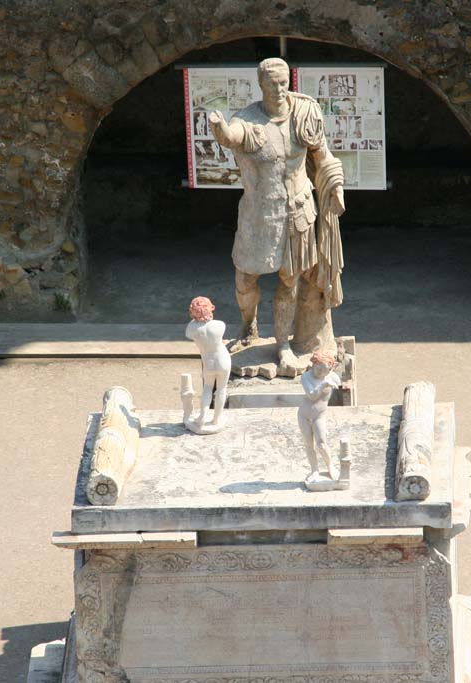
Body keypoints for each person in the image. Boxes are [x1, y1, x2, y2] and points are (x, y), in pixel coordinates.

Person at [209, 57, 346, 377]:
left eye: (284, 82)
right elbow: (233, 136)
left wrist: (334, 185)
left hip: (297, 212)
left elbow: (322, 155)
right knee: (246, 279)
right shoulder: (249, 120)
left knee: (290, 281)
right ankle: (248, 323)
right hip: (259, 215)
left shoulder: (303, 114)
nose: (280, 89)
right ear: (261, 84)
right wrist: (219, 129)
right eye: (272, 83)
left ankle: (283, 344)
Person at [184, 296, 231, 431]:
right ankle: (217, 418)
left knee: (207, 388)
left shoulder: (191, 328)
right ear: (210, 308)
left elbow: (189, 333)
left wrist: (196, 319)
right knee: (222, 388)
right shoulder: (220, 325)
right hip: (223, 360)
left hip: (208, 361)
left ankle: (203, 416)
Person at [297, 349, 342, 486]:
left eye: (324, 371)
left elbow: (339, 389)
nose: (321, 373)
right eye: (318, 370)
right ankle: (314, 470)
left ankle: (330, 467)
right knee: (308, 444)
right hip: (304, 415)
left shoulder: (333, 377)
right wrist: (323, 385)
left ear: (330, 368)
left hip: (319, 416)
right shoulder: (305, 377)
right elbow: (312, 396)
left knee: (322, 444)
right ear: (314, 364)